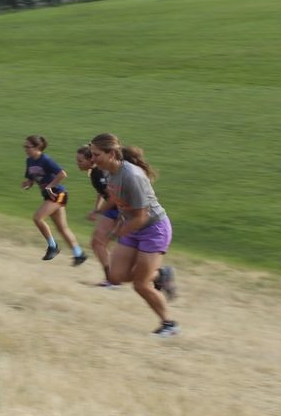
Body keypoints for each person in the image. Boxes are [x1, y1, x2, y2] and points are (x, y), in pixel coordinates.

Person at [88, 133, 179, 336]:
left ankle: (169, 324)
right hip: (132, 227)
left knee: (141, 284)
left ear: (111, 153)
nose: (92, 159)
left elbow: (142, 217)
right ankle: (161, 274)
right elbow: (116, 197)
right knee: (115, 276)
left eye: (96, 154)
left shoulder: (132, 176)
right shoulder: (109, 172)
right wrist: (101, 211)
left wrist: (113, 234)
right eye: (91, 155)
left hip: (153, 229)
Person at [21, 135, 86, 265]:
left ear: (37, 147)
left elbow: (62, 173)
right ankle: (79, 254)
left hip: (58, 194)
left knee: (38, 218)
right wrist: (28, 184)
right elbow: (32, 178)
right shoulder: (29, 161)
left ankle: (53, 246)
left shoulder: (45, 160)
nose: (25, 149)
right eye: (25, 146)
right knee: (62, 228)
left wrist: (50, 186)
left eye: (28, 147)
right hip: (48, 196)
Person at [76, 145, 119, 286]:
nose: (78, 164)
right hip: (112, 209)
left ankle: (112, 279)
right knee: (98, 243)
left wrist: (99, 211)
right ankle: (111, 278)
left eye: (80, 161)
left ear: (91, 160)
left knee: (99, 243)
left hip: (120, 210)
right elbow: (102, 192)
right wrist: (96, 209)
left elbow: (113, 196)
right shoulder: (95, 173)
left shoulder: (98, 173)